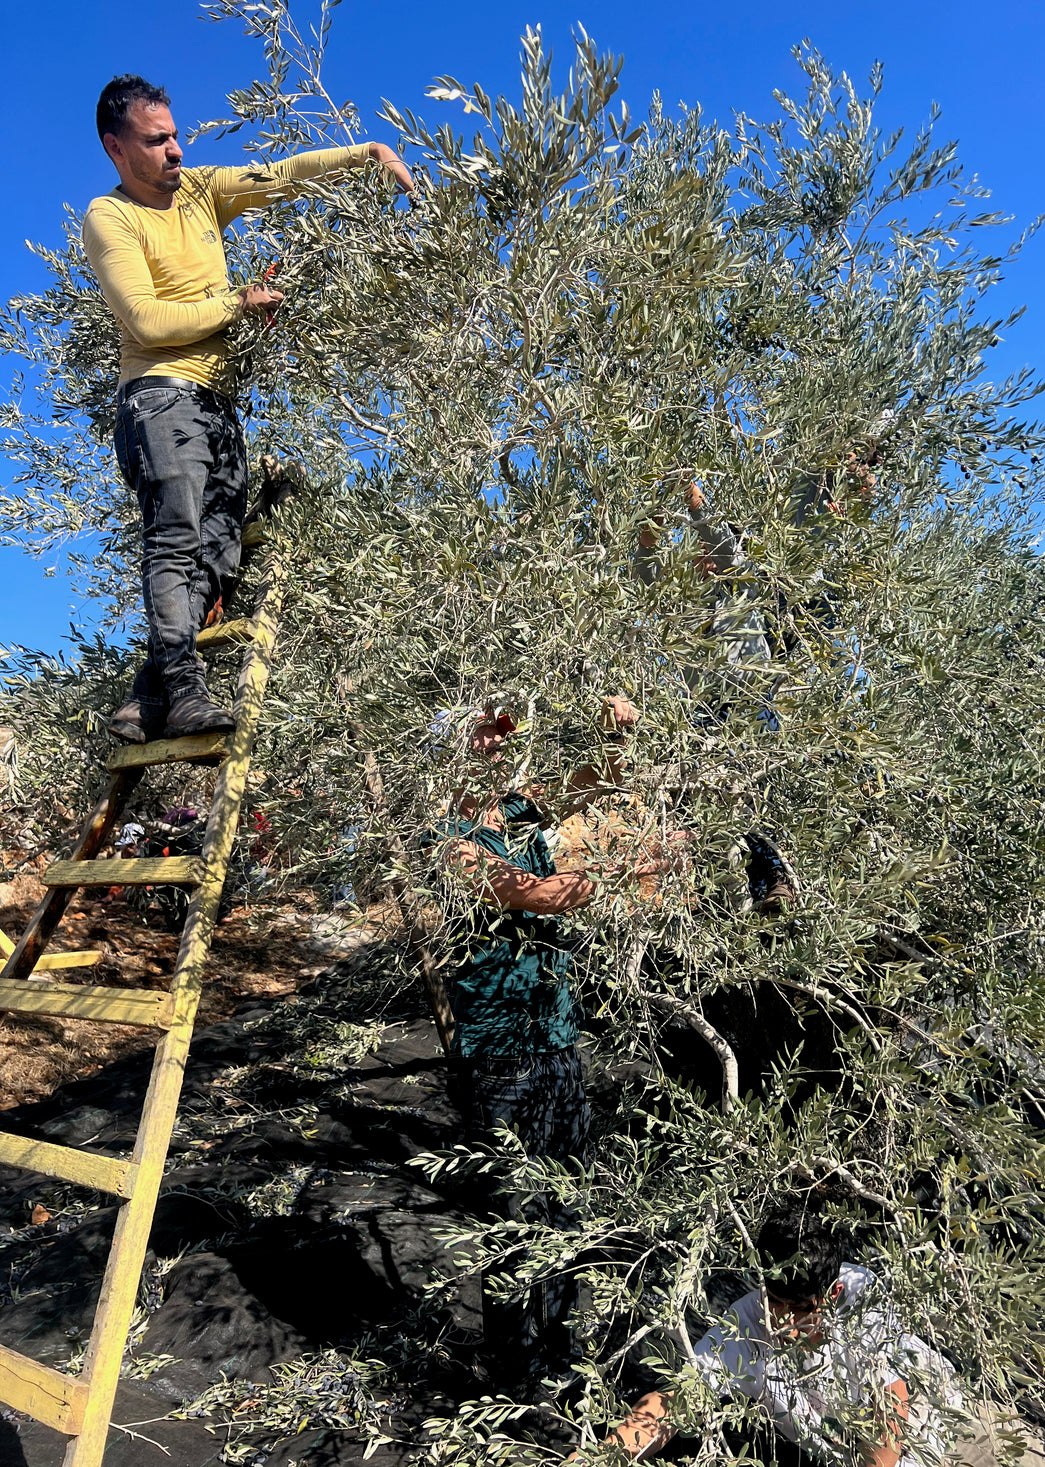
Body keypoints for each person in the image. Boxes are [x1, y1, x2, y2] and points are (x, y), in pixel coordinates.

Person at [84, 75, 416, 743]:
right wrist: (239, 303)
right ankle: (180, 692)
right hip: (159, 396)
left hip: (216, 404)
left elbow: (284, 174)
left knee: (221, 550)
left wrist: (368, 154)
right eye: (157, 141)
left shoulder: (202, 191)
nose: (176, 150)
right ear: (117, 149)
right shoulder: (110, 216)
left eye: (176, 135)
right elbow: (146, 321)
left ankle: (148, 693)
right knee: (175, 539)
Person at [425, 695, 687, 1387]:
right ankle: (518, 1374)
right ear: (456, 748)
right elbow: (537, 893)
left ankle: (562, 1353)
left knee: (568, 1205)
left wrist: (617, 728)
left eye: (505, 734)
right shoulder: (451, 840)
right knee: (515, 1217)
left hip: (558, 1040)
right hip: (499, 1051)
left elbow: (594, 783)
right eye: (487, 733)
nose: (500, 744)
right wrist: (620, 871)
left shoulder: (522, 813)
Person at [580, 1201, 1045, 1467]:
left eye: (794, 1309)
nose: (778, 1322)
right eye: (771, 1302)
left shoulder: (861, 1300)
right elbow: (673, 1402)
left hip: (958, 1434)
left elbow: (887, 1425)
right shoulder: (746, 1322)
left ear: (829, 1296)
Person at [634, 480, 795, 914]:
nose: (703, 558)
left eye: (706, 551)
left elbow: (721, 542)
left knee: (759, 790)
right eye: (695, 551)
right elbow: (645, 567)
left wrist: (696, 504)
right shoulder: (682, 601)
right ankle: (731, 895)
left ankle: (775, 877)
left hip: (751, 699)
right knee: (712, 796)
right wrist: (652, 523)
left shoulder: (741, 585)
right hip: (705, 709)